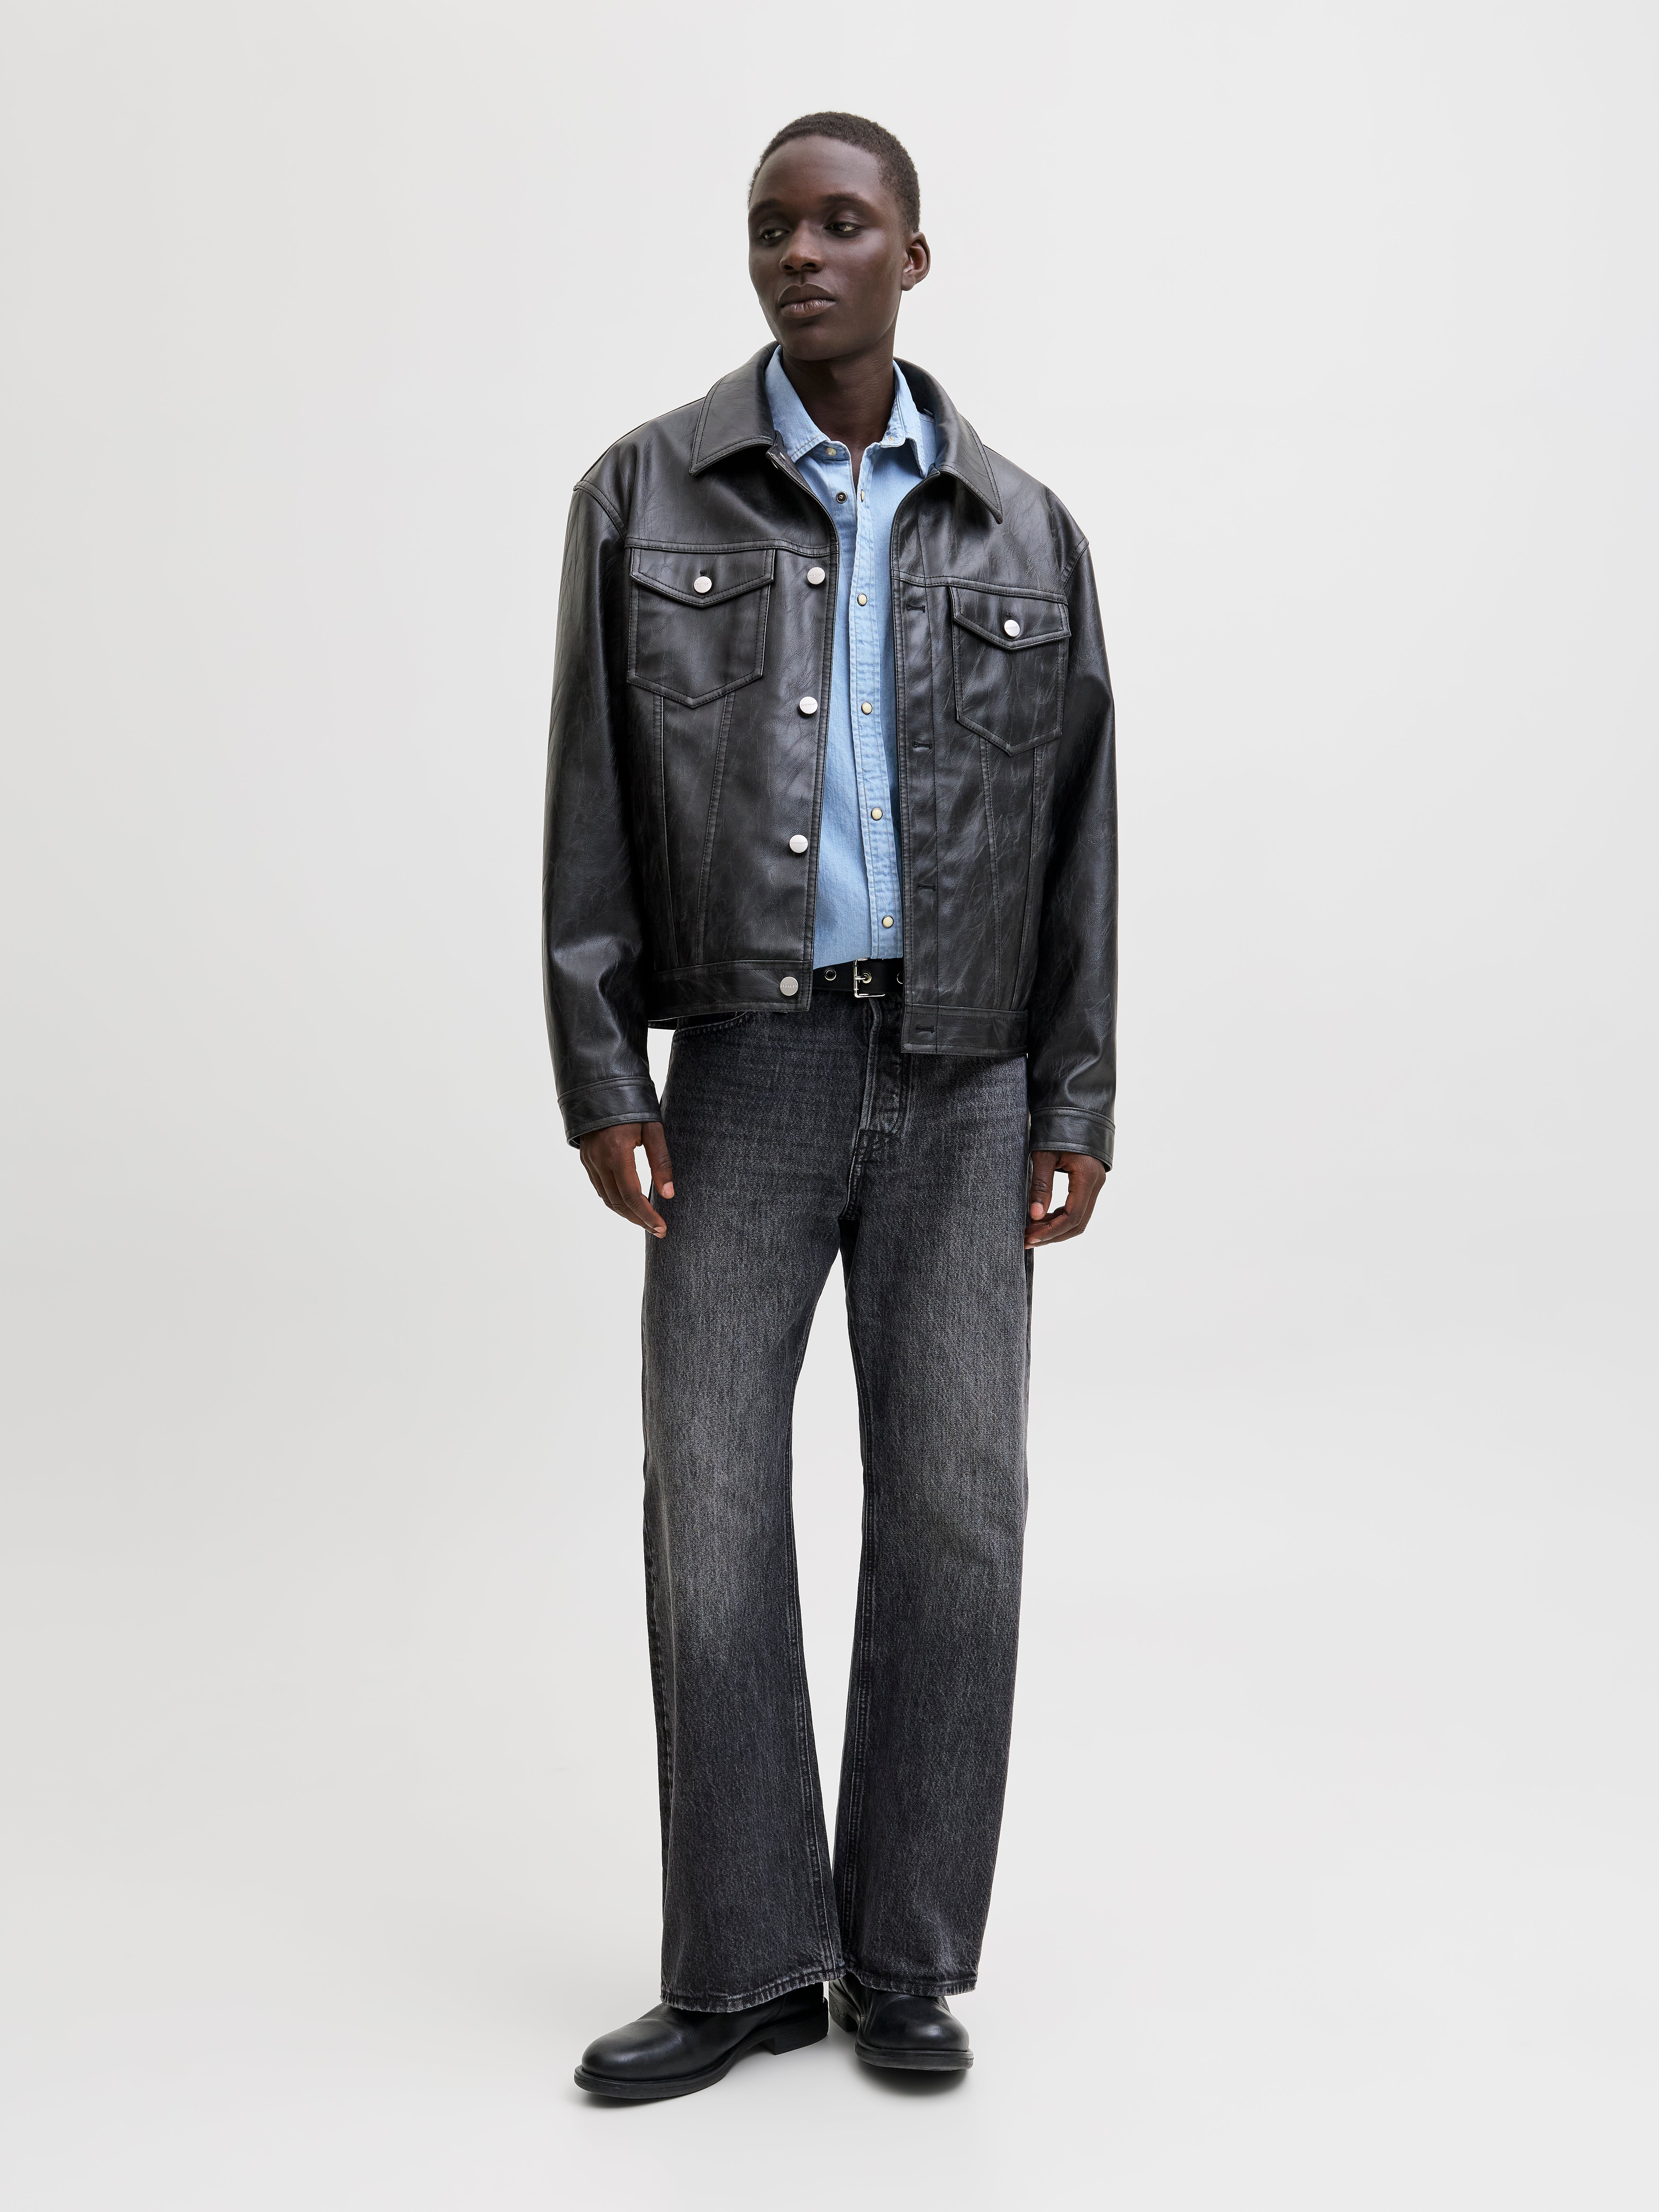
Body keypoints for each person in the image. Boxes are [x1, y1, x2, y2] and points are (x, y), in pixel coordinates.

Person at [544, 110, 1117, 2101]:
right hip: (744, 1066)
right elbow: (589, 797)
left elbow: (1081, 835)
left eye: (841, 223)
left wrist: (1075, 1095)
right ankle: (742, 1966)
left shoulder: (1025, 530)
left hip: (967, 1079)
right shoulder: (643, 492)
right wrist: (600, 1067)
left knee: (958, 1512)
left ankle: (902, 1961)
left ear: (911, 259)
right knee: (711, 1506)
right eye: (772, 225)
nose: (801, 253)